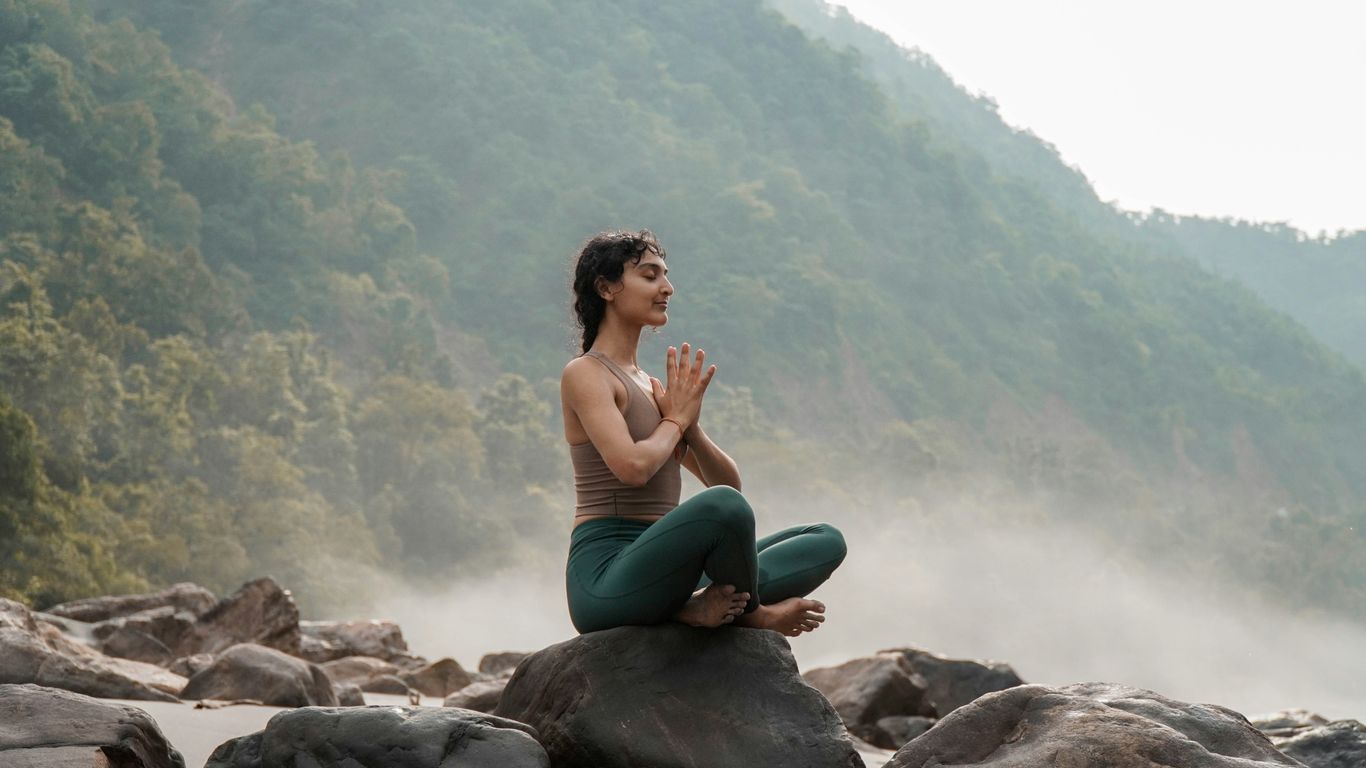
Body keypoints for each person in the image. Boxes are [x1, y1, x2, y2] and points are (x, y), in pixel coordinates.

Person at [560, 229, 847, 636]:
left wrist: (689, 426)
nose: (668, 287)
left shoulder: (650, 385)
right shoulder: (586, 374)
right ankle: (751, 614)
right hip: (607, 580)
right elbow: (633, 468)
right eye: (650, 275)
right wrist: (674, 422)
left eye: (666, 275)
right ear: (606, 288)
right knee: (721, 508)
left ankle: (692, 607)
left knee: (825, 539)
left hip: (671, 568)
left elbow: (727, 483)